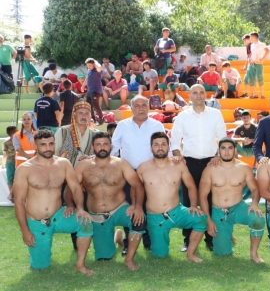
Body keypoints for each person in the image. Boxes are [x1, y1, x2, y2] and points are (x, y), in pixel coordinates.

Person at [12, 129, 94, 275]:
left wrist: (80, 208)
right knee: (40, 266)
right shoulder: (25, 169)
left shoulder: (63, 163)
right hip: (37, 221)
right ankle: (41, 252)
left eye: (51, 144)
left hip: (58, 215)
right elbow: (18, 202)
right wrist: (25, 231)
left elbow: (75, 188)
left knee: (85, 221)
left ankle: (80, 264)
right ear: (35, 145)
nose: (48, 148)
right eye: (43, 144)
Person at [68, 132, 145, 269]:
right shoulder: (83, 165)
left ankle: (129, 259)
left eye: (105, 144)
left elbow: (138, 185)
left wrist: (137, 206)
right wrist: (71, 205)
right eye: (98, 144)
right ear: (92, 147)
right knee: (104, 258)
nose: (102, 147)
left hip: (120, 208)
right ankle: (117, 237)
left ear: (111, 146)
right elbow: (71, 188)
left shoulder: (121, 164)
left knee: (138, 220)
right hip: (98, 215)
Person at [171, 84, 226, 252]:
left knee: (211, 200)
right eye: (195, 93)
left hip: (211, 162)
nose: (199, 95)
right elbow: (174, 141)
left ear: (205, 95)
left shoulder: (216, 114)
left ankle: (210, 238)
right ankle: (188, 239)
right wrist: (178, 155)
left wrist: (218, 155)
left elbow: (223, 138)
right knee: (189, 202)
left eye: (202, 92)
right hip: (189, 162)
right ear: (190, 96)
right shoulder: (183, 116)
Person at [137, 132, 207, 262]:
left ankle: (191, 254)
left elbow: (191, 186)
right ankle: (120, 238)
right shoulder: (143, 168)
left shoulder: (178, 165)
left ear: (169, 147)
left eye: (163, 144)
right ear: (151, 148)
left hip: (177, 211)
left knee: (201, 218)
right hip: (156, 217)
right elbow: (136, 189)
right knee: (160, 255)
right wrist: (137, 207)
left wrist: (193, 205)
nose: (160, 147)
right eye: (156, 144)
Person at [110, 95, 164, 253]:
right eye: (137, 105)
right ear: (131, 108)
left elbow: (162, 147)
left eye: (144, 105)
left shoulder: (157, 125)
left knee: (149, 207)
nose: (141, 108)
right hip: (128, 173)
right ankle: (128, 243)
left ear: (148, 107)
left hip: (151, 172)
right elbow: (114, 147)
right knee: (130, 207)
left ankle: (148, 242)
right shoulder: (123, 125)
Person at [200, 139, 265, 263]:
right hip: (219, 212)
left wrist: (255, 204)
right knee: (222, 253)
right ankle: (227, 234)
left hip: (238, 207)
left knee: (257, 219)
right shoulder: (210, 169)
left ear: (235, 150)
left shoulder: (244, 167)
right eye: (223, 148)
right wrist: (208, 220)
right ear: (218, 151)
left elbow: (255, 188)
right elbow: (203, 196)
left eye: (230, 148)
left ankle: (254, 254)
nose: (227, 151)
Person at [54, 101, 98, 168]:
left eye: (87, 113)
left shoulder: (96, 135)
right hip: (65, 174)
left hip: (87, 175)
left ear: (90, 116)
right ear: (74, 115)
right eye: (80, 113)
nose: (84, 116)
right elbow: (54, 153)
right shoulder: (63, 131)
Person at [80, 58, 105, 125]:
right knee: (88, 105)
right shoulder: (89, 70)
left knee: (95, 104)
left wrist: (95, 61)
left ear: (94, 64)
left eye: (90, 65)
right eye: (88, 65)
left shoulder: (97, 70)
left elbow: (99, 67)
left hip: (96, 90)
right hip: (90, 90)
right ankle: (92, 119)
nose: (89, 67)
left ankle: (101, 118)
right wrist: (83, 85)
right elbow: (87, 77)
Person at [249, 32, 270, 99]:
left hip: (258, 64)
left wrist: (263, 59)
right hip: (252, 64)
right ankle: (254, 94)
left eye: (251, 37)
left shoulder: (261, 44)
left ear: (255, 37)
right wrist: (250, 59)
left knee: (259, 78)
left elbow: (268, 51)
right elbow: (251, 54)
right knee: (252, 79)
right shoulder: (252, 45)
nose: (250, 38)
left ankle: (262, 94)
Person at [3, 126, 17, 201]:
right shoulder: (6, 143)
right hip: (10, 162)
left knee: (18, 178)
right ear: (12, 133)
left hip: (19, 160)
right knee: (10, 178)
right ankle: (12, 195)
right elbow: (5, 154)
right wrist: (3, 163)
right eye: (16, 131)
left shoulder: (19, 141)